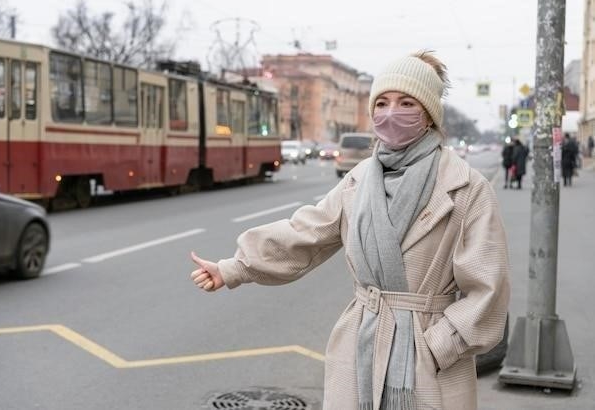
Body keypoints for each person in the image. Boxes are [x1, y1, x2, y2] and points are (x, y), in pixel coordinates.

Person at [190, 51, 510, 410]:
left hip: (430, 358)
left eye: (406, 102)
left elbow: (489, 291)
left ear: (429, 114)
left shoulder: (467, 187)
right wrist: (233, 268)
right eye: (382, 103)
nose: (391, 113)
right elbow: (305, 233)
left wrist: (438, 345)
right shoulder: (359, 180)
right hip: (361, 343)